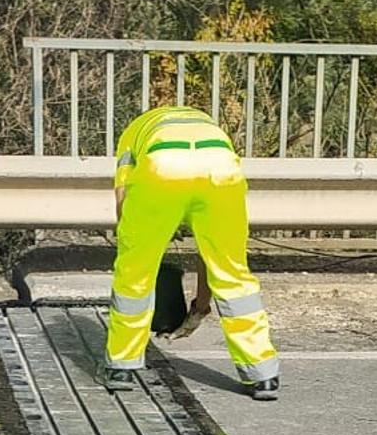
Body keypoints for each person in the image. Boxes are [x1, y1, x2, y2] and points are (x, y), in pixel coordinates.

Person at [103, 105, 280, 400]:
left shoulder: (134, 133)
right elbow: (209, 257)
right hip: (222, 171)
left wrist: (142, 244)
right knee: (231, 271)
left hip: (162, 168)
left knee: (134, 273)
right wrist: (199, 308)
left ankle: (122, 366)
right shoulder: (209, 127)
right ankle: (263, 375)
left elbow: (123, 202)